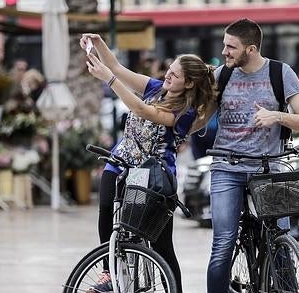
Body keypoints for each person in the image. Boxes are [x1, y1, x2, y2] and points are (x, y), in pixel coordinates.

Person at [79, 33, 217, 293]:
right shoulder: (156, 87)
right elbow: (118, 68)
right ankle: (109, 273)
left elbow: (143, 110)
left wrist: (108, 80)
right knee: (106, 209)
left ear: (188, 83)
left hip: (153, 174)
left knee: (162, 246)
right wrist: (98, 44)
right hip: (121, 160)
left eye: (174, 75)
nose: (168, 76)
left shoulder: (184, 113)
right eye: (169, 70)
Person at [205, 18, 299, 293]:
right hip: (226, 169)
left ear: (251, 49)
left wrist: (276, 116)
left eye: (231, 47)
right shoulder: (222, 75)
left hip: (269, 169)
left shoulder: (280, 73)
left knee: (279, 240)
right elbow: (200, 120)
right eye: (224, 45)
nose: (224, 52)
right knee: (223, 244)